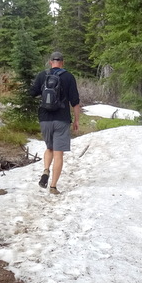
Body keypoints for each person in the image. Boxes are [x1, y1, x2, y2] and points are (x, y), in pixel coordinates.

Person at [29, 51, 81, 194]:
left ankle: (46, 170)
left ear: (50, 62)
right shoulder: (69, 77)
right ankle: (53, 187)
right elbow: (75, 101)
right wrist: (76, 120)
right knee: (58, 154)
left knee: (49, 148)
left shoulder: (42, 75)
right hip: (62, 119)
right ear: (62, 62)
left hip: (45, 118)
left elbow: (31, 93)